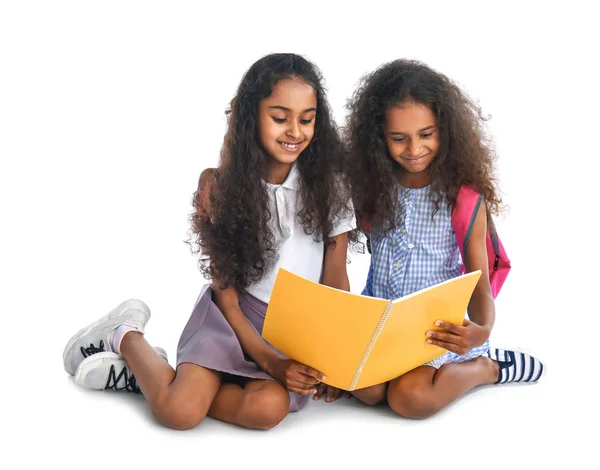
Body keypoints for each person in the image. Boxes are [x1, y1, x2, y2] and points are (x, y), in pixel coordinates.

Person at [63, 53, 356, 430]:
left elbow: (336, 280)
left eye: (307, 119)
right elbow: (227, 298)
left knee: (269, 409)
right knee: (180, 413)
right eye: (280, 118)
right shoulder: (223, 191)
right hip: (232, 320)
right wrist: (271, 363)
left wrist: (337, 355)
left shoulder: (332, 187)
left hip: (294, 331)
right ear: (252, 118)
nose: (295, 131)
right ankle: (123, 335)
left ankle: (157, 380)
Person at [343, 59, 545, 419]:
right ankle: (391, 372)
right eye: (398, 138)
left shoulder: (463, 198)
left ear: (445, 130)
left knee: (411, 398)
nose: (414, 148)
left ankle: (488, 368)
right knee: (367, 391)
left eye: (426, 134)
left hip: (435, 332)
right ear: (378, 138)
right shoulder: (371, 189)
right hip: (381, 324)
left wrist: (481, 332)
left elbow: (479, 284)